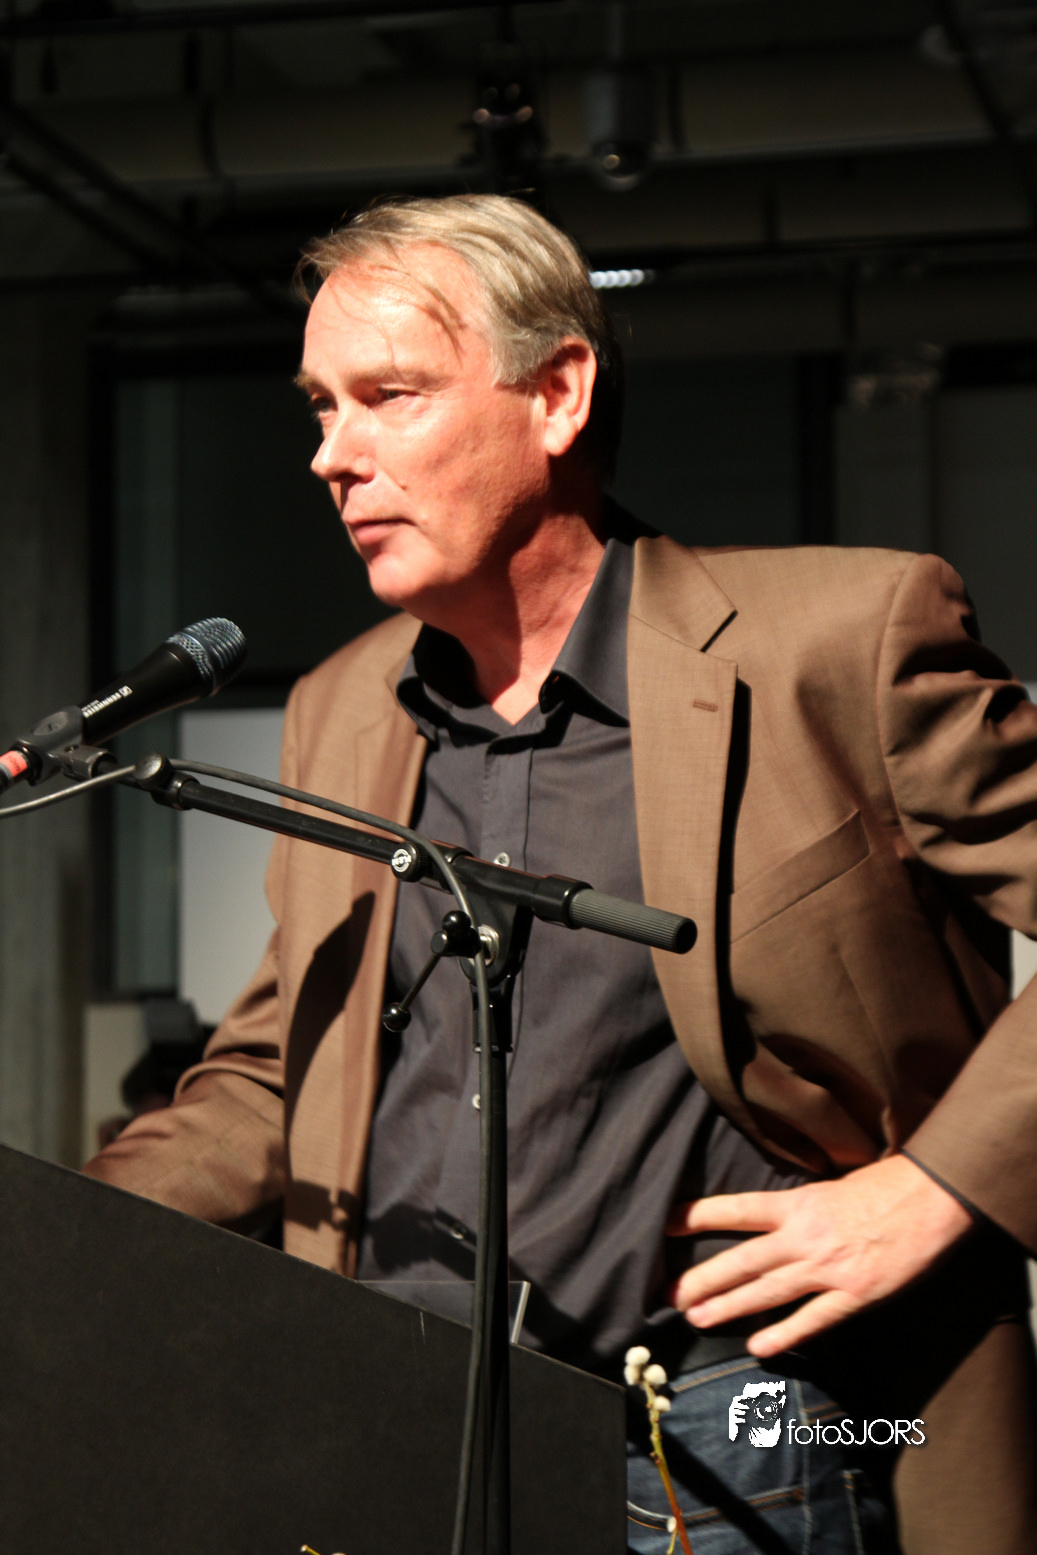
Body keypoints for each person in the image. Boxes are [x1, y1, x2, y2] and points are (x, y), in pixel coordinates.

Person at [85, 194, 1037, 1553]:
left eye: (388, 396)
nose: (330, 455)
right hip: (407, 1422)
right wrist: (52, 1243)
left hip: (743, 1433)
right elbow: (282, 1070)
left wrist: (935, 1185)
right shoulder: (343, 707)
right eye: (320, 407)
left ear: (558, 394)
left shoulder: (842, 640)